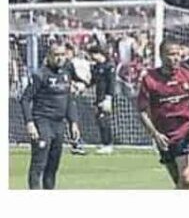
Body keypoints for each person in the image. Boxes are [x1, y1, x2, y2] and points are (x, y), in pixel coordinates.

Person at [137, 40, 189, 189]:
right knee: (182, 184)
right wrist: (155, 134)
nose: (176, 58)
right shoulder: (149, 79)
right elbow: (142, 111)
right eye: (171, 54)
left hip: (185, 133)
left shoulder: (188, 76)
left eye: (178, 54)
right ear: (161, 56)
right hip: (164, 137)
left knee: (186, 179)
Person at [19, 42, 81, 189]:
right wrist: (30, 122)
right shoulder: (41, 74)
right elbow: (25, 99)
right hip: (43, 122)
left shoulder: (67, 72)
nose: (60, 58)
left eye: (62, 55)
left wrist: (73, 122)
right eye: (56, 55)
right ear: (49, 56)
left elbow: (69, 98)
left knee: (53, 166)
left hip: (59, 124)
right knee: (39, 164)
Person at [87, 43, 117, 154]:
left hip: (106, 97)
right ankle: (104, 143)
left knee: (105, 121)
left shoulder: (109, 66)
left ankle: (108, 144)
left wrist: (109, 98)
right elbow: (92, 81)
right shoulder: (96, 67)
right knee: (100, 121)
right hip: (98, 97)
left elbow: (112, 83)